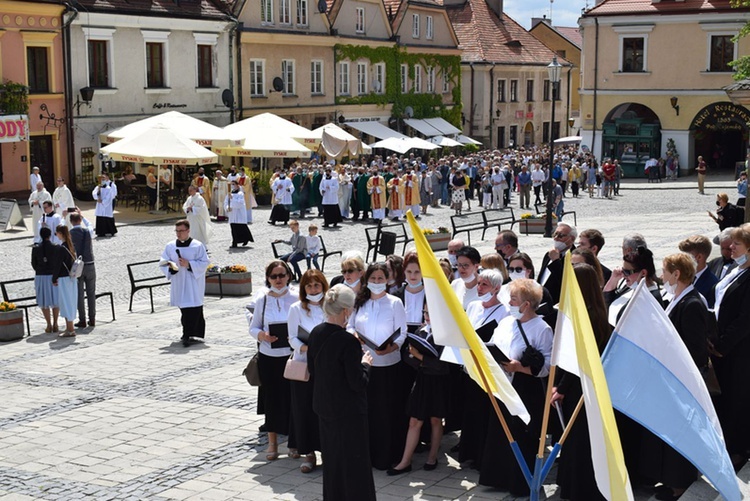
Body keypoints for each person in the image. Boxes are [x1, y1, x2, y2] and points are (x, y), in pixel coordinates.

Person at [639, 253, 709, 499]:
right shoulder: (677, 298)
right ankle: (669, 479)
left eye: (665, 271)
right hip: (669, 380)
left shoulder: (691, 303)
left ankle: (679, 483)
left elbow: (695, 349)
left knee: (681, 434)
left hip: (681, 382)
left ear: (677, 274)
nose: (661, 276)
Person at [479, 278, 553, 496]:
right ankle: (498, 477)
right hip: (502, 384)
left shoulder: (542, 328)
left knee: (522, 434)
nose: (509, 302)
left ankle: (521, 482)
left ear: (527, 304)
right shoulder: (506, 322)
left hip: (525, 388)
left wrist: (519, 367)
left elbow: (548, 366)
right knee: (500, 431)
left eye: (513, 298)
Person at [307, 284, 376, 500]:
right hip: (349, 413)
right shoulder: (348, 341)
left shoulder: (316, 333)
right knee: (355, 465)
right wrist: (366, 364)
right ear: (346, 311)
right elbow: (357, 382)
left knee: (333, 461)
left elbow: (313, 369)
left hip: (325, 408)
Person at [553, 263, 611, 501]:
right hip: (583, 386)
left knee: (578, 440)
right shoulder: (595, 311)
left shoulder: (587, 316)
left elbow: (580, 358)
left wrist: (561, 388)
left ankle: (580, 489)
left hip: (580, 387)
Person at [348, 262, 408, 470]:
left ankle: (389, 455)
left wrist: (392, 347)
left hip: (389, 364)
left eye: (380, 279)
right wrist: (354, 335)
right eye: (373, 279)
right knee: (369, 412)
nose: (376, 282)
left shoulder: (394, 302)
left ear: (387, 280)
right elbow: (349, 324)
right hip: (366, 362)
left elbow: (402, 331)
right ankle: (368, 455)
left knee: (388, 412)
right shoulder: (359, 302)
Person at [388, 301, 450, 475]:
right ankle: (405, 461)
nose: (427, 317)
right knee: (414, 420)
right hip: (422, 380)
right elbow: (409, 357)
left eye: (431, 313)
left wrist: (419, 357)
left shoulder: (446, 335)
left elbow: (442, 366)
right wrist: (418, 358)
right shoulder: (420, 332)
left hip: (438, 383)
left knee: (436, 420)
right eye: (425, 312)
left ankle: (432, 457)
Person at [458, 269, 510, 467]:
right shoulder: (472, 306)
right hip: (470, 366)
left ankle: (481, 457)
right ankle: (468, 452)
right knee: (470, 412)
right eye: (478, 283)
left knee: (484, 413)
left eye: (484, 285)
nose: (479, 288)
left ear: (496, 288)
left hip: (488, 368)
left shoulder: (504, 310)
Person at [249, 261, 297, 461]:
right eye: (274, 276)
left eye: (282, 275)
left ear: (288, 276)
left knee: (293, 401)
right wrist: (263, 336)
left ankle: (295, 444)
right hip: (269, 357)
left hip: (291, 356)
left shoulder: (296, 297)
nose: (278, 280)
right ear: (268, 279)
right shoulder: (263, 299)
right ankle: (272, 444)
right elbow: (253, 327)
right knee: (272, 401)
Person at [712, 223, 750, 472]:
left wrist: (722, 345)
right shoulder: (736, 269)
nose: (731, 247)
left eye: (737, 244)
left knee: (738, 397)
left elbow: (745, 319)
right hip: (722, 346)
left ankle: (739, 449)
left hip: (739, 350)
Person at [287, 270, 328, 474]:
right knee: (304, 409)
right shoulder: (296, 308)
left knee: (325, 409)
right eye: (309, 286)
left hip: (326, 366)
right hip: (304, 364)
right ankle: (309, 453)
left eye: (317, 285)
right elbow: (292, 338)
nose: (313, 289)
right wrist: (308, 348)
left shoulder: (329, 307)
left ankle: (327, 451)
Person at [159, 220, 210, 347]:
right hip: (179, 281)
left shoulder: (197, 246)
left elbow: (204, 263)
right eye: (177, 231)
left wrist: (189, 264)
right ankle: (188, 333)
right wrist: (171, 267)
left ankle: (188, 334)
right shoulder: (170, 246)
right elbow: (163, 261)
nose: (178, 234)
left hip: (193, 282)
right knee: (184, 308)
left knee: (192, 308)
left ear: (188, 231)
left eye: (181, 231)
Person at [538, 222, 576, 304]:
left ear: (571, 239)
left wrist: (555, 261)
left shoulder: (575, 257)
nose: (556, 238)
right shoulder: (549, 255)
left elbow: (566, 282)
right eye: (555, 234)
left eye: (560, 236)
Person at [70, 212, 96, 328]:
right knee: (91, 293)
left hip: (78, 266)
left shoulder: (70, 234)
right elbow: (90, 225)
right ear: (80, 220)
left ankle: (82, 319)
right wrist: (83, 216)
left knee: (79, 294)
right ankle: (92, 318)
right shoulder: (87, 232)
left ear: (71, 222)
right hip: (90, 264)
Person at [31, 227, 60, 334]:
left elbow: (34, 264)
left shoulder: (36, 248)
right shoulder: (55, 247)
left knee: (43, 301)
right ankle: (56, 323)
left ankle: (48, 324)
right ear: (50, 235)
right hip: (53, 275)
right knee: (55, 300)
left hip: (41, 275)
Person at [52, 225, 79, 338]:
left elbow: (57, 265)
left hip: (64, 277)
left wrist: (54, 278)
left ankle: (70, 329)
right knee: (71, 301)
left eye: (56, 233)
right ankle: (70, 327)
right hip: (72, 278)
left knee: (65, 302)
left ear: (60, 233)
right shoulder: (71, 246)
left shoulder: (61, 248)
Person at [678, 235, 718, 307]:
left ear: (699, 257)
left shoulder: (713, 284)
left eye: (686, 257)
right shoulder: (679, 276)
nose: (681, 260)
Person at [224, 180, 253, 248]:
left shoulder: (240, 194)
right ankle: (234, 242)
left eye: (233, 184)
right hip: (232, 213)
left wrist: (232, 198)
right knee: (233, 228)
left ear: (237, 185)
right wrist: (227, 207)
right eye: (231, 184)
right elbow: (225, 202)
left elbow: (240, 203)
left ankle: (246, 238)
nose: (232, 186)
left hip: (239, 214)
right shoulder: (229, 193)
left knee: (241, 228)